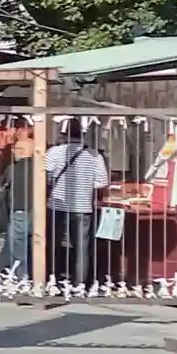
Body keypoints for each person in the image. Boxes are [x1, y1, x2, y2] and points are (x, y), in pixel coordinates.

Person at [47, 120, 108, 288]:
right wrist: (86, 184)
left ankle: (51, 277)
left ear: (64, 134)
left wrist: (54, 181)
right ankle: (79, 283)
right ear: (82, 135)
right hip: (82, 206)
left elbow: (44, 174)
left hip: (57, 204)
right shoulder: (94, 155)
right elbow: (102, 181)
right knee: (81, 247)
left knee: (53, 244)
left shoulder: (54, 152)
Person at [0, 124, 36, 280]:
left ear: (24, 151)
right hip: (38, 213)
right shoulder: (41, 168)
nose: (13, 152)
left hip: (19, 210)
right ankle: (1, 269)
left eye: (16, 149)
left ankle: (21, 277)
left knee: (18, 247)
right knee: (28, 244)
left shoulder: (13, 168)